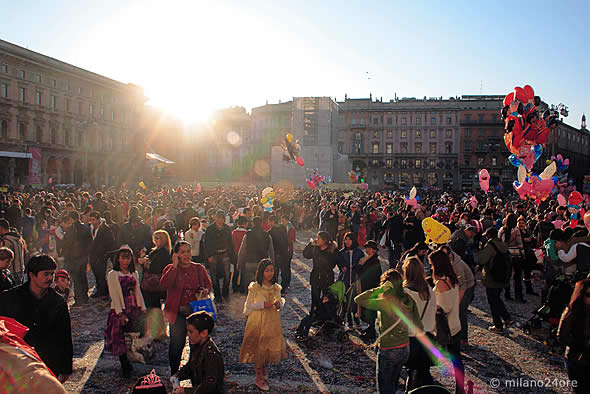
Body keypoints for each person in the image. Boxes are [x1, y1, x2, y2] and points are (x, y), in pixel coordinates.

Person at [0, 254, 73, 382]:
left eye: (52, 274)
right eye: (46, 274)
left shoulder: (58, 302)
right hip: (18, 362)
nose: (50, 278)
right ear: (32, 275)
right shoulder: (10, 298)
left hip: (48, 362)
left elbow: (65, 335)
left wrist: (66, 367)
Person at [355, 269, 423, 394]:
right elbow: (419, 325)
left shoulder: (385, 302)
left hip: (388, 348)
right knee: (393, 383)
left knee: (384, 387)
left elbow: (359, 299)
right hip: (404, 347)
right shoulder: (408, 299)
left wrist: (380, 289)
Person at [161, 241, 212, 375]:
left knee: (196, 345)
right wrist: (174, 266)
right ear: (176, 254)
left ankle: (195, 372)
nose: (186, 255)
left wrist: (205, 290)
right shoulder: (170, 268)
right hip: (177, 313)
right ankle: (174, 373)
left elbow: (208, 284)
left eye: (188, 251)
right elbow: (164, 284)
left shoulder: (199, 268)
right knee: (176, 346)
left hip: (195, 313)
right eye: (182, 252)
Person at [239, 258, 286, 392]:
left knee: (268, 345)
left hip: (272, 321)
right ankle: (258, 375)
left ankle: (263, 366)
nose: (270, 273)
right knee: (258, 345)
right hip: (258, 320)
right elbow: (248, 306)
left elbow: (280, 300)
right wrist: (261, 305)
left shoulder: (275, 287)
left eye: (271, 270)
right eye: (267, 271)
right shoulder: (255, 287)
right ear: (261, 272)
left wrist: (279, 304)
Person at [104, 246, 147, 377]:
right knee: (119, 337)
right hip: (120, 307)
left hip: (132, 306)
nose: (125, 261)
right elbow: (114, 295)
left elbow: (137, 291)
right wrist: (120, 312)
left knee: (131, 336)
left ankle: (131, 358)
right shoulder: (113, 275)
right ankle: (124, 364)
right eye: (123, 257)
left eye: (128, 257)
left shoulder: (134, 273)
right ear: (118, 259)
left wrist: (142, 307)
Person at [430, 249, 464, 394]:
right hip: (455, 324)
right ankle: (460, 387)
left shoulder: (440, 283)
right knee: (456, 359)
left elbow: (443, 307)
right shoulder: (453, 278)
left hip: (446, 328)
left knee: (428, 356)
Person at [401, 257, 436, 390]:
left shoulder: (405, 292)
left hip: (412, 338)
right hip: (428, 336)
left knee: (412, 373)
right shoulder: (429, 290)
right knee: (424, 373)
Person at [170, 311, 224, 394]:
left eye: (191, 332)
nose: (188, 334)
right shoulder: (196, 346)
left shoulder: (211, 354)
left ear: (204, 333)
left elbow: (209, 386)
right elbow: (190, 367)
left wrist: (186, 391)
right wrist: (177, 375)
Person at [557, 279, 590, 393]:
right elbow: (562, 336)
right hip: (577, 359)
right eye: (588, 295)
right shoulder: (572, 311)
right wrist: (581, 345)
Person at [440, 245, 475, 346]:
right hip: (458, 286)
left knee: (460, 313)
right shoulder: (449, 260)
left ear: (450, 254)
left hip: (467, 287)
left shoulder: (457, 264)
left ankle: (463, 339)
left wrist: (458, 300)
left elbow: (463, 285)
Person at [202, 210, 236, 301]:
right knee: (214, 275)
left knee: (227, 275)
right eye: (219, 217)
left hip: (225, 253)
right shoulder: (210, 229)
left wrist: (232, 255)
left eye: (222, 218)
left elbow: (230, 242)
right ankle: (217, 293)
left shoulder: (227, 228)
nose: (220, 219)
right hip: (214, 254)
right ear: (215, 218)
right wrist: (209, 255)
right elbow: (206, 243)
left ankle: (225, 292)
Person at [302, 231, 339, 314]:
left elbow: (337, 261)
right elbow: (306, 255)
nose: (317, 240)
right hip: (316, 277)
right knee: (315, 298)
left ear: (324, 240)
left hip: (327, 278)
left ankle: (325, 316)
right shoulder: (315, 249)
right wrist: (310, 244)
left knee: (326, 298)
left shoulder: (332, 250)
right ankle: (314, 315)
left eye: (319, 238)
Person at [354, 240, 383, 340]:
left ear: (374, 250)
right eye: (366, 248)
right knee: (366, 310)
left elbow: (362, 272)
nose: (367, 250)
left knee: (369, 311)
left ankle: (371, 332)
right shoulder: (366, 259)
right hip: (366, 287)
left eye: (369, 248)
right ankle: (370, 329)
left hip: (371, 288)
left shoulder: (374, 261)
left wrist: (360, 265)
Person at [61, 210, 92, 306]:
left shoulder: (72, 229)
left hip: (74, 257)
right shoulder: (85, 228)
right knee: (83, 277)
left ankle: (79, 300)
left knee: (77, 279)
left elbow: (67, 244)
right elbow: (90, 242)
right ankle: (85, 297)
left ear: (71, 218)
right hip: (83, 257)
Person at [237, 216, 275, 294]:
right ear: (261, 223)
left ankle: (251, 302)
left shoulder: (248, 235)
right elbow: (271, 251)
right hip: (262, 263)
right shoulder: (267, 235)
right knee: (261, 286)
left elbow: (242, 251)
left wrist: (239, 262)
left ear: (253, 223)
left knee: (250, 286)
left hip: (250, 262)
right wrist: (273, 264)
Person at [337, 232, 364, 326]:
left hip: (355, 280)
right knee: (345, 300)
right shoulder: (341, 252)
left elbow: (362, 264)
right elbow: (339, 263)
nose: (347, 242)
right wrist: (342, 267)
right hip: (345, 279)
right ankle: (347, 320)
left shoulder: (359, 252)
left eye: (349, 239)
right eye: (346, 239)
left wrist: (357, 269)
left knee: (354, 300)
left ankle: (356, 320)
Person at [499, 213, 526, 303]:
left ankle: (507, 294)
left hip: (506, 255)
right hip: (516, 255)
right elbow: (520, 243)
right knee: (517, 277)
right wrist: (523, 254)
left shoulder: (502, 230)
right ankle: (519, 296)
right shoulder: (516, 230)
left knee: (507, 275)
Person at [88, 211, 116, 298]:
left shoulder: (105, 229)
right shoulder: (92, 228)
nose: (92, 221)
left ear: (98, 219)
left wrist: (105, 253)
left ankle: (102, 291)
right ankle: (100, 289)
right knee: (96, 273)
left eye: (93, 220)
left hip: (101, 255)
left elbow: (110, 242)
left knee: (101, 273)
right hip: (93, 254)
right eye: (91, 220)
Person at [268, 215, 290, 293]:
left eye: (269, 222)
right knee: (284, 271)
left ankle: (276, 288)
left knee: (276, 272)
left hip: (277, 254)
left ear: (273, 221)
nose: (268, 223)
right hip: (284, 253)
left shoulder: (270, 232)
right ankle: (284, 288)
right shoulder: (283, 228)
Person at [0, 218, 26, 285]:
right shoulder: (18, 239)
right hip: (21, 269)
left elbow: (4, 257)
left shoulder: (6, 241)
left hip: (11, 272)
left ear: (1, 228)